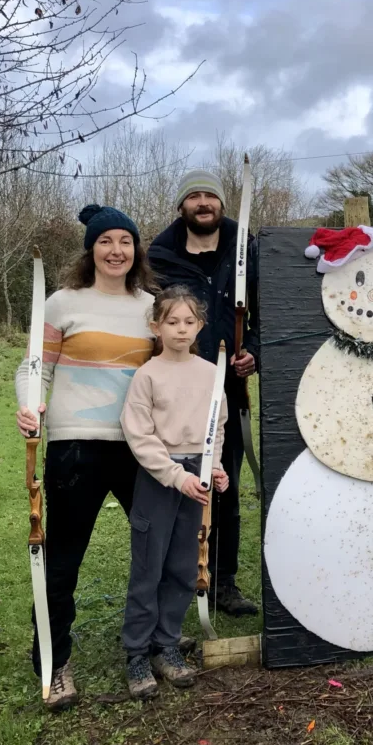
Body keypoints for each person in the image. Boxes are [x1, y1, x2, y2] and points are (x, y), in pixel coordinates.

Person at [15, 204, 155, 710]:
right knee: (64, 559)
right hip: (76, 446)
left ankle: (153, 643)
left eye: (125, 241)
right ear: (91, 249)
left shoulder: (150, 307)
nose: (117, 250)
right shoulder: (62, 302)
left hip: (140, 446)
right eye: (106, 241)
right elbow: (35, 367)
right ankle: (53, 661)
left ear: (137, 249)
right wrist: (30, 404)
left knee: (155, 548)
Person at [147, 169, 259, 617]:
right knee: (175, 483)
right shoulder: (159, 257)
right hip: (177, 387)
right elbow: (149, 317)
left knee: (223, 485)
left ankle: (223, 583)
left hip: (227, 388)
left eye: (209, 195)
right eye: (193, 196)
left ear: (222, 204)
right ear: (182, 207)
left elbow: (263, 312)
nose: (202, 202)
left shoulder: (246, 250)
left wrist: (252, 350)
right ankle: (178, 578)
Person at [119, 287, 230, 699]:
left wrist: (213, 467)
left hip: (196, 479)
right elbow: (139, 434)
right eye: (171, 322)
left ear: (199, 325)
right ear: (156, 327)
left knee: (184, 565)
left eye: (188, 322)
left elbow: (215, 428)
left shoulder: (208, 374)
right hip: (158, 478)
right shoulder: (148, 375)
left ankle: (167, 643)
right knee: (149, 566)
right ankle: (136, 650)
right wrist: (173, 474)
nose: (181, 330)